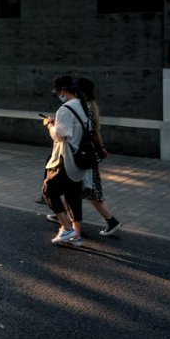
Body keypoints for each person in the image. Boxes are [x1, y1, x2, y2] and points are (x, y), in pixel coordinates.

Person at [41, 76, 90, 246]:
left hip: (65, 159)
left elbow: (59, 134)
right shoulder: (85, 106)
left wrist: (49, 125)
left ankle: (67, 228)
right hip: (80, 160)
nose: (58, 95)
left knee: (48, 190)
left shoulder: (65, 109)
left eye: (57, 92)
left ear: (63, 90)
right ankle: (76, 236)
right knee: (73, 197)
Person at [76, 78, 122, 236]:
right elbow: (96, 131)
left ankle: (111, 220)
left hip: (84, 155)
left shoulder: (82, 107)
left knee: (91, 189)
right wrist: (101, 148)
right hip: (89, 153)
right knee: (77, 186)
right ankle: (62, 212)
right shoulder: (91, 107)